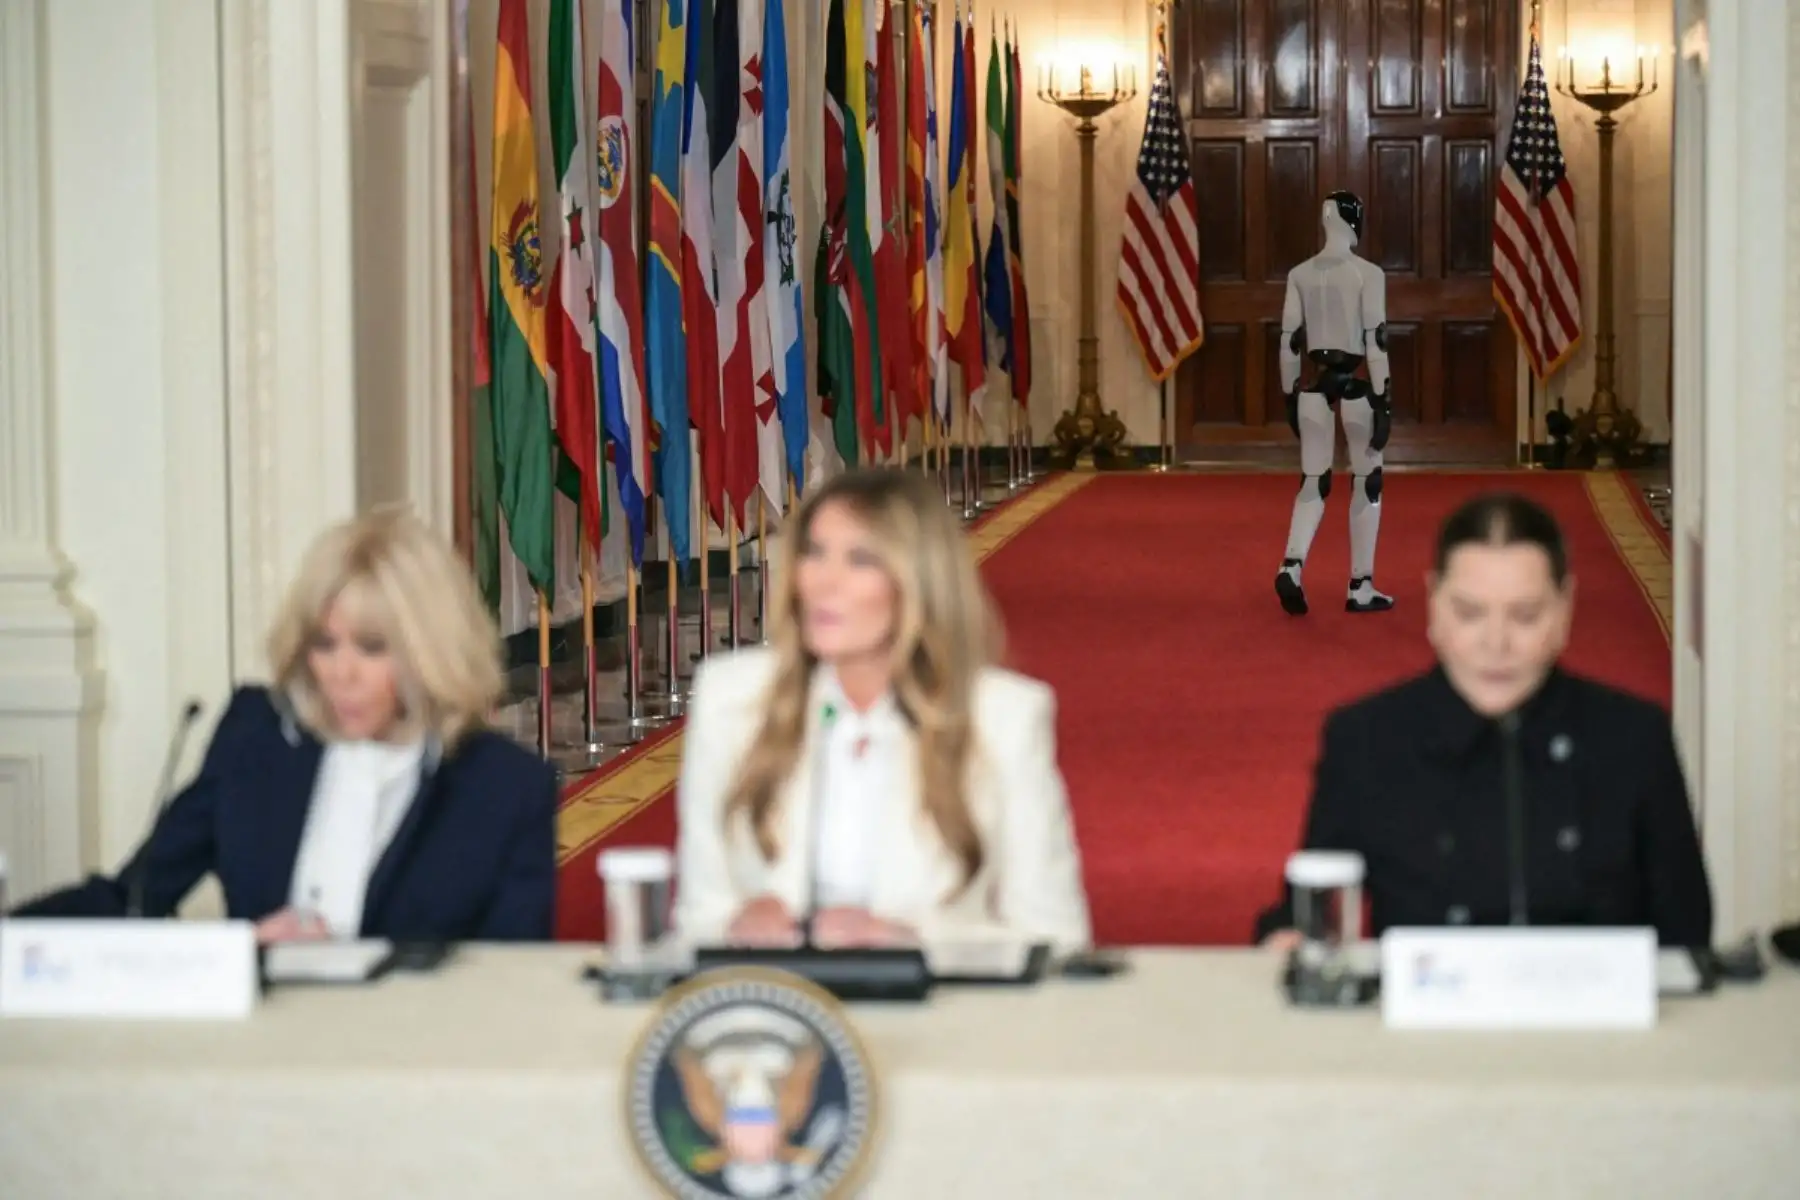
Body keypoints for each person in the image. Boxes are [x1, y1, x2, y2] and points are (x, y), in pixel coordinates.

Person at [13, 509, 558, 943]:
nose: (340, 673)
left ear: (429, 651)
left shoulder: (507, 787)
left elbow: (507, 993)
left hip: (412, 1068)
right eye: (324, 644)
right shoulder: (257, 738)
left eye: (371, 649)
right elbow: (132, 899)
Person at [1255, 492, 1713, 947]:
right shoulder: (1366, 740)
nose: (1496, 642)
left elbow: (1687, 933)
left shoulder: (1634, 739)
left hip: (1598, 1016)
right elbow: (1306, 913)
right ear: (1434, 604)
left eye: (1525, 615)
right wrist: (1286, 940)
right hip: (1427, 1015)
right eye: (1470, 612)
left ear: (1564, 609)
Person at [673, 468, 1091, 954]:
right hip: (777, 1009)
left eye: (860, 560)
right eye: (813, 552)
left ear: (917, 581)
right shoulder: (731, 699)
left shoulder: (1003, 717)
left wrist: (912, 942)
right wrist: (735, 925)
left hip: (938, 1015)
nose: (823, 583)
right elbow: (697, 917)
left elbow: (1057, 941)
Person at [1275, 190, 1396, 615]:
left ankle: (1292, 564)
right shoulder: (1368, 273)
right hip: (1357, 388)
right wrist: (1384, 400)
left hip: (1313, 389)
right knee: (1368, 480)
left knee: (1313, 481)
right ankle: (1360, 584)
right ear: (1353, 220)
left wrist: (1290, 393)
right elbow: (1376, 340)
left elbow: (1289, 343)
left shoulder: (1300, 274)